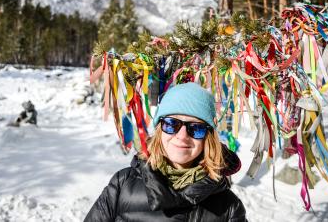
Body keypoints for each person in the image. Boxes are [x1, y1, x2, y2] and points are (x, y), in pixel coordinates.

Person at [85, 82, 246, 221]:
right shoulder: (123, 184)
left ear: (208, 137)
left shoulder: (229, 208)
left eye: (196, 128)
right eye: (171, 124)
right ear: (159, 130)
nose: (182, 136)